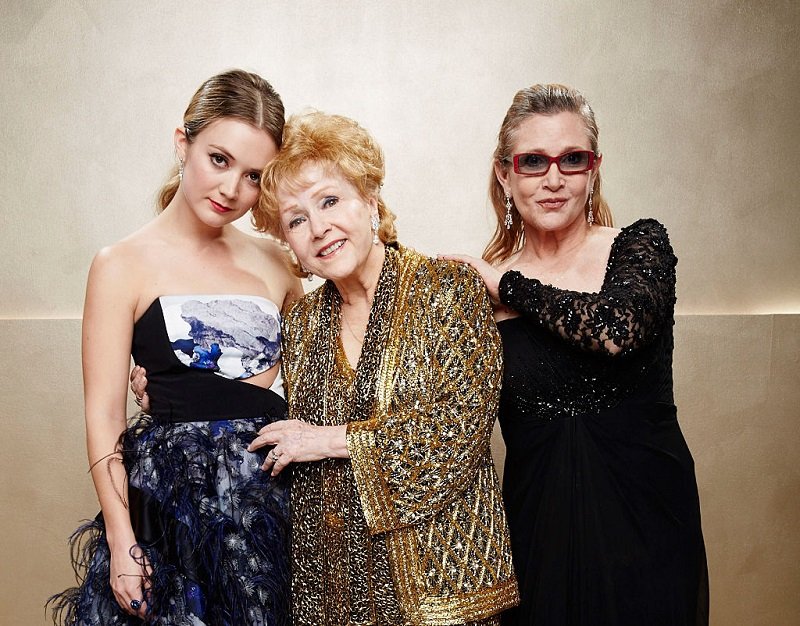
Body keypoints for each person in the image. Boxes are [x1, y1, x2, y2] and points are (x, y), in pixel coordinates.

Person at [444, 84, 709, 625]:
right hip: (537, 525)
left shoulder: (639, 245)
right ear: (505, 173)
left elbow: (618, 329)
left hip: (647, 519)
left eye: (572, 159)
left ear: (593, 169)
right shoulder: (475, 292)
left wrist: (508, 287)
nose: (553, 178)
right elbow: (444, 415)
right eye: (534, 161)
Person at [49, 69, 301, 625]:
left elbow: (316, 376)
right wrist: (122, 543)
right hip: (169, 516)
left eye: (254, 175)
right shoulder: (121, 265)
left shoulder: (279, 261)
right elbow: (103, 419)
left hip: (270, 512)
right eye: (219, 159)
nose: (232, 189)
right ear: (182, 142)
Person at [246, 111, 519, 625]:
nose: (318, 228)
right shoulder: (301, 322)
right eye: (297, 219)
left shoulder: (448, 290)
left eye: (330, 201)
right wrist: (167, 386)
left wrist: (332, 440)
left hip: (442, 585)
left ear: (371, 202)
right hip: (333, 593)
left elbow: (458, 428)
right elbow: (255, 397)